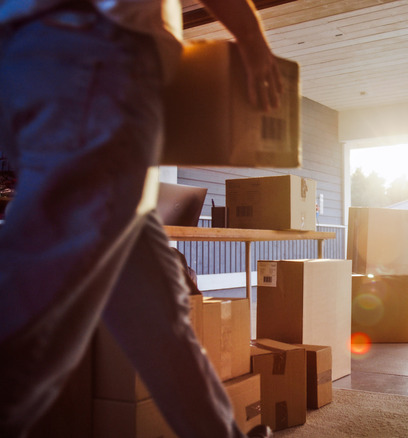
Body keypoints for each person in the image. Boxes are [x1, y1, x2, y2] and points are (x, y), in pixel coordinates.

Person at [0, 0, 281, 436]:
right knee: (35, 323)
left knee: (157, 319)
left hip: (46, 62)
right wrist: (250, 34)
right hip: (97, 59)